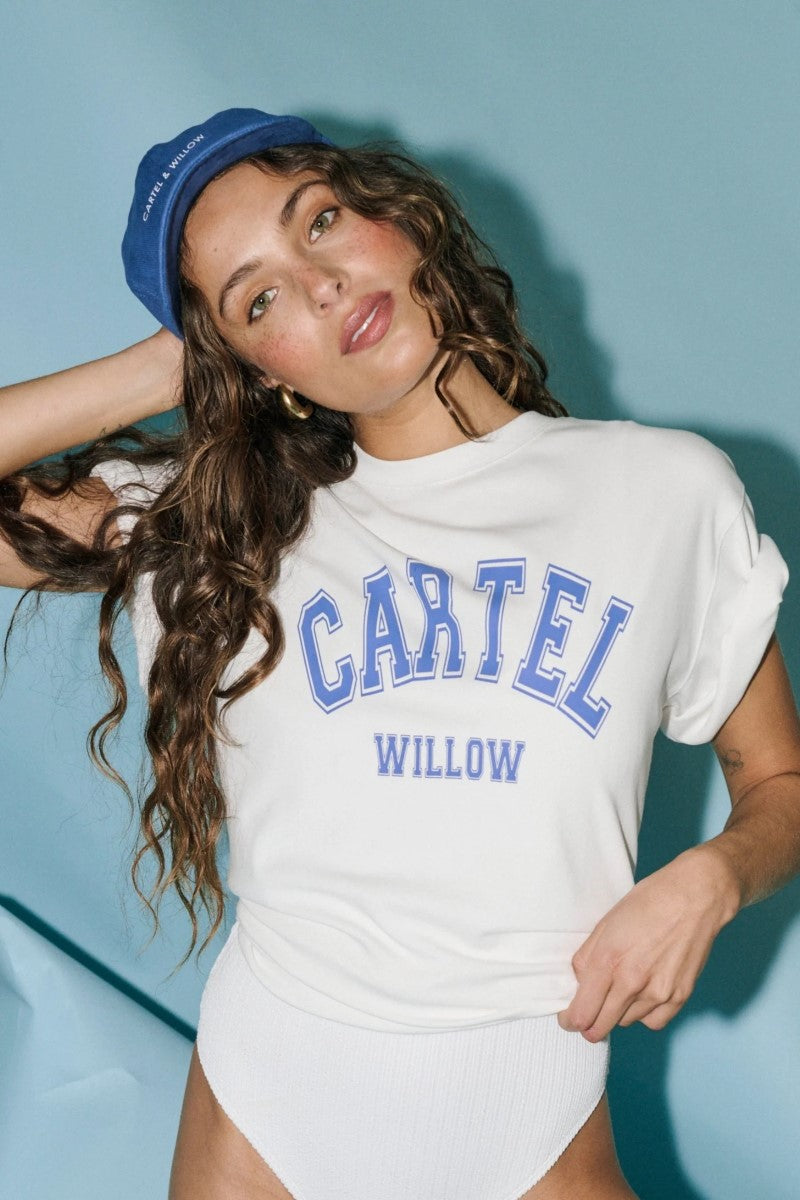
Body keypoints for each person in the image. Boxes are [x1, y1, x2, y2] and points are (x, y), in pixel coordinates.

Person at [1, 107, 798, 1200]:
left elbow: (779, 782)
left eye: (319, 222)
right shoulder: (219, 532)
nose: (323, 286)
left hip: (531, 1106)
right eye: (260, 299)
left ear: (399, 216)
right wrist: (165, 368)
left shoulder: (665, 492)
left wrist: (711, 877)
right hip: (266, 1103)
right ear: (252, 366)